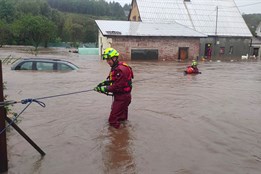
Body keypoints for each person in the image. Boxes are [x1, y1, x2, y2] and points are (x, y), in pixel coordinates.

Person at [94, 48, 134, 129]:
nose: (108, 62)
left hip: (122, 98)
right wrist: (105, 83)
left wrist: (104, 89)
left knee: (112, 120)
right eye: (107, 60)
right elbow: (115, 81)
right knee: (121, 118)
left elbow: (117, 86)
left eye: (109, 59)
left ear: (115, 58)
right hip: (122, 97)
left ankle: (118, 137)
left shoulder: (121, 69)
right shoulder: (116, 67)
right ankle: (125, 134)